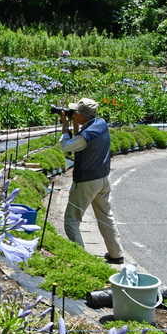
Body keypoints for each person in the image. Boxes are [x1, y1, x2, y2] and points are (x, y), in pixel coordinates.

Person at [59, 97, 124, 264]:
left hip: (87, 181)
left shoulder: (86, 135)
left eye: (75, 112)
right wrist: (74, 125)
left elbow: (67, 146)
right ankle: (116, 254)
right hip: (103, 178)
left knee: (71, 220)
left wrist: (65, 126)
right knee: (105, 216)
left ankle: (81, 260)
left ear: (82, 116)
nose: (72, 114)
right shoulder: (100, 124)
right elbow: (81, 138)